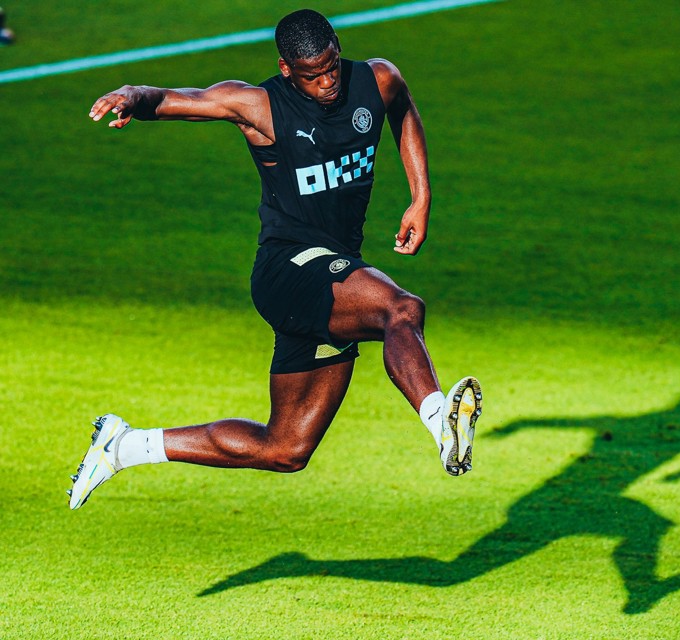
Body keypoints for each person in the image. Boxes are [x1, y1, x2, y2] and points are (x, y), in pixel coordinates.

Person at [69, 9, 481, 510]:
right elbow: (181, 99)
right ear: (288, 69)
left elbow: (404, 110)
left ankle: (125, 446)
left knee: (286, 448)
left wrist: (421, 196)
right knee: (400, 310)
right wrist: (131, 97)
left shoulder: (376, 79)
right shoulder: (260, 106)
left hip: (334, 273)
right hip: (289, 268)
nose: (328, 81)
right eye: (313, 75)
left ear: (336, 47)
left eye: (331, 66)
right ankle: (442, 422)